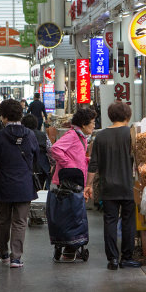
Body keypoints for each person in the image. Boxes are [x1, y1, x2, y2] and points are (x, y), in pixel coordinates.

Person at [85, 102, 141, 271]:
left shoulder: (100, 136)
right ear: (128, 116)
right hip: (127, 185)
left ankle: (113, 260)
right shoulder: (131, 134)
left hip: (107, 186)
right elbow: (139, 161)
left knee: (109, 221)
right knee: (128, 221)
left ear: (110, 116)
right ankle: (127, 258)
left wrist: (89, 185)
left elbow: (93, 164)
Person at [0, 99, 39, 268]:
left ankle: (3, 253)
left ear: (3, 116)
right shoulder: (30, 134)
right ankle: (16, 257)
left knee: (3, 220)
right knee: (20, 221)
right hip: (24, 184)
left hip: (3, 184)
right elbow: (36, 157)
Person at [50, 107, 96, 260]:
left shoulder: (81, 137)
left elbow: (74, 154)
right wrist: (69, 164)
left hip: (74, 181)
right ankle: (69, 248)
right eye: (92, 122)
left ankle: (70, 248)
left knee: (72, 215)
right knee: (71, 216)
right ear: (83, 124)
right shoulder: (72, 135)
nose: (94, 125)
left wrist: (86, 161)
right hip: (67, 182)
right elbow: (55, 149)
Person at [22, 113, 52, 190]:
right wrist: (52, 164)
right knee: (41, 188)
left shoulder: (22, 136)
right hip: (42, 167)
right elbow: (50, 151)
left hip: (26, 167)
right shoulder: (43, 135)